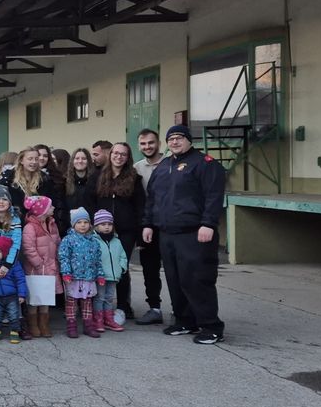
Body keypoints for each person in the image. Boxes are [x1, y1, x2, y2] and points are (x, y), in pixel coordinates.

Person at [142, 124, 227, 344]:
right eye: (171, 139)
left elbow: (213, 197)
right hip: (168, 234)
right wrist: (148, 224)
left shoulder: (204, 164)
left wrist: (208, 223)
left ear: (189, 140)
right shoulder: (163, 166)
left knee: (197, 279)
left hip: (195, 233)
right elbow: (152, 199)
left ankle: (210, 326)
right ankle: (185, 320)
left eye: (180, 138)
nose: (175, 142)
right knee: (175, 279)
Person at [94, 142, 146, 320]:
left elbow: (140, 207)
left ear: (128, 157)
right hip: (101, 230)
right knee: (100, 266)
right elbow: (90, 201)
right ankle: (98, 305)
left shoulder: (134, 178)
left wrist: (140, 233)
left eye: (123, 154)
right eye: (115, 153)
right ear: (110, 155)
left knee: (121, 267)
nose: (118, 156)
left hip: (125, 231)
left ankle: (123, 306)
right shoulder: (98, 176)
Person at [132, 128, 166, 325]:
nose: (147, 147)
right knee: (149, 270)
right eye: (143, 144)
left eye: (151, 143)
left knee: (175, 270)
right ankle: (155, 308)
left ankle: (183, 309)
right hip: (147, 227)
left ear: (159, 143)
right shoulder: (136, 168)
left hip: (169, 225)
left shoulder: (170, 164)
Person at [59, 207, 105, 340]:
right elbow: (64, 257)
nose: (83, 225)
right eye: (79, 222)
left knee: (87, 302)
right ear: (73, 224)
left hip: (89, 277)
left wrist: (100, 274)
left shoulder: (94, 242)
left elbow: (98, 260)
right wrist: (66, 272)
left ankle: (88, 325)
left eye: (85, 222)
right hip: (73, 277)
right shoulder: (68, 240)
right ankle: (71, 326)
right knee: (72, 302)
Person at [20, 195, 61, 340]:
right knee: (35, 298)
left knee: (45, 298)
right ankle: (33, 324)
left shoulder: (52, 224)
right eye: (50, 206)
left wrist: (57, 259)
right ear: (42, 210)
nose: (53, 208)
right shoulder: (30, 227)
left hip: (50, 266)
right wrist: (38, 263)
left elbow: (57, 242)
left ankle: (44, 324)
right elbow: (28, 248)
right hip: (35, 269)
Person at [93, 210, 128, 333]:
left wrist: (122, 267)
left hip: (113, 276)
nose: (107, 227)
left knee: (109, 298)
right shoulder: (94, 241)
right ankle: (98, 319)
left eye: (109, 224)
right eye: (103, 224)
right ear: (96, 226)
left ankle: (108, 319)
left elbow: (123, 256)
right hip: (101, 276)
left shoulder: (116, 241)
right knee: (99, 297)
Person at [0, 147, 58, 215]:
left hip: (37, 220)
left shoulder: (44, 179)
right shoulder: (9, 178)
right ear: (21, 161)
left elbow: (51, 202)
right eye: (30, 159)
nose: (34, 162)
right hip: (15, 219)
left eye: (36, 159)